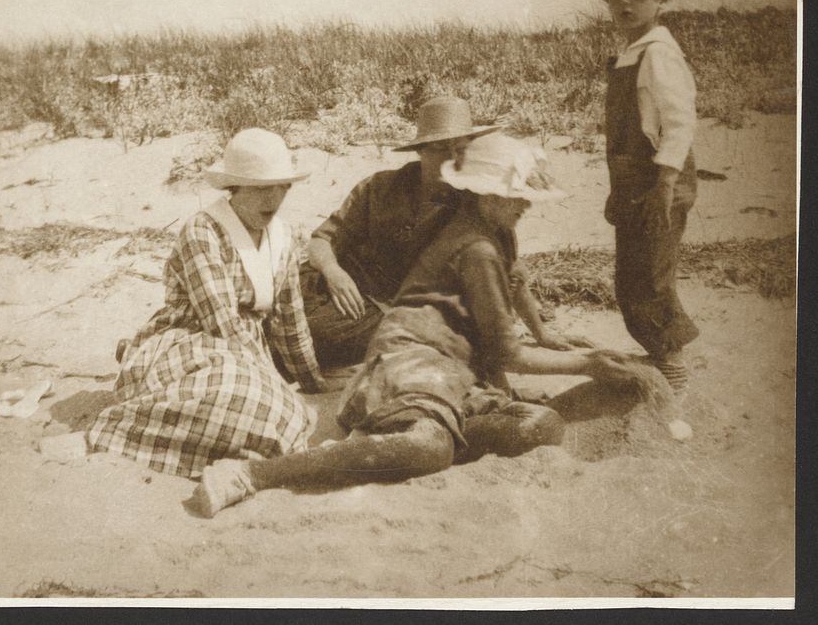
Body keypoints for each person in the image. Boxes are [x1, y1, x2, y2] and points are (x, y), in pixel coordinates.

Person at [191, 134, 637, 516]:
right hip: (412, 355)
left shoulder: (486, 227)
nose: (523, 204)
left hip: (453, 364)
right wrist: (589, 363)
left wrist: (545, 334)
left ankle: (381, 444)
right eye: (514, 196)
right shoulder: (467, 238)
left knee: (539, 426)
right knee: (429, 450)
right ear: (486, 193)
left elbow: (513, 281)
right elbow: (508, 353)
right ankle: (252, 474)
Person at [86, 128, 325, 478]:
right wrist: (269, 380)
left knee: (272, 407)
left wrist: (312, 379)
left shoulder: (284, 237)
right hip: (192, 340)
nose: (272, 199)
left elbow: (290, 318)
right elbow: (221, 322)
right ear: (235, 188)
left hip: (245, 352)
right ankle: (117, 426)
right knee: (243, 394)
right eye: (260, 188)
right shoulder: (203, 230)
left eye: (281, 187)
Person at [300, 96, 500, 367]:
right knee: (282, 299)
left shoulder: (474, 203)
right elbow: (321, 240)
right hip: (339, 283)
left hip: (386, 310)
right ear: (421, 150)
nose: (452, 157)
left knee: (317, 334)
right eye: (440, 147)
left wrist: (541, 334)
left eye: (460, 148)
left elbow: (505, 269)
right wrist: (334, 273)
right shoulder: (381, 187)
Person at [599, 0, 699, 393]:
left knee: (651, 276)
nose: (625, 4)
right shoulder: (632, 52)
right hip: (633, 182)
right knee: (632, 274)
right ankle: (660, 351)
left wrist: (664, 184)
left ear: (662, 0)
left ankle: (671, 364)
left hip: (659, 182)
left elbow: (679, 123)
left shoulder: (658, 53)